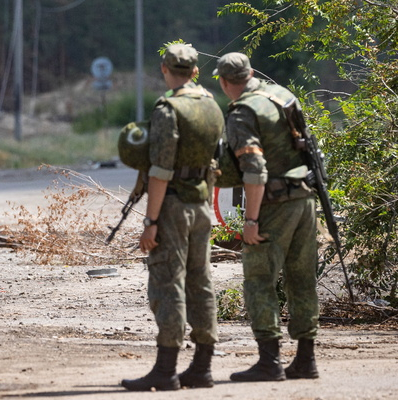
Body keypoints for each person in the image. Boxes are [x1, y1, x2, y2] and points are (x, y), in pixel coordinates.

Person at [121, 43, 224, 391]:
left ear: (165, 70)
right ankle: (203, 367)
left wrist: (151, 223)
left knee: (169, 284)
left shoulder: (168, 108)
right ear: (195, 71)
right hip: (202, 204)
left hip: (174, 207)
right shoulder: (211, 105)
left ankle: (165, 371)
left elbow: (161, 170)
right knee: (202, 283)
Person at [214, 52, 320, 381]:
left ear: (223, 81)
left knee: (259, 280)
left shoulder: (242, 110)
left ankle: (269, 362)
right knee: (302, 279)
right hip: (304, 199)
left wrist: (250, 221)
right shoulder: (283, 95)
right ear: (251, 72)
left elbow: (254, 170)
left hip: (273, 204)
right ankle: (305, 360)